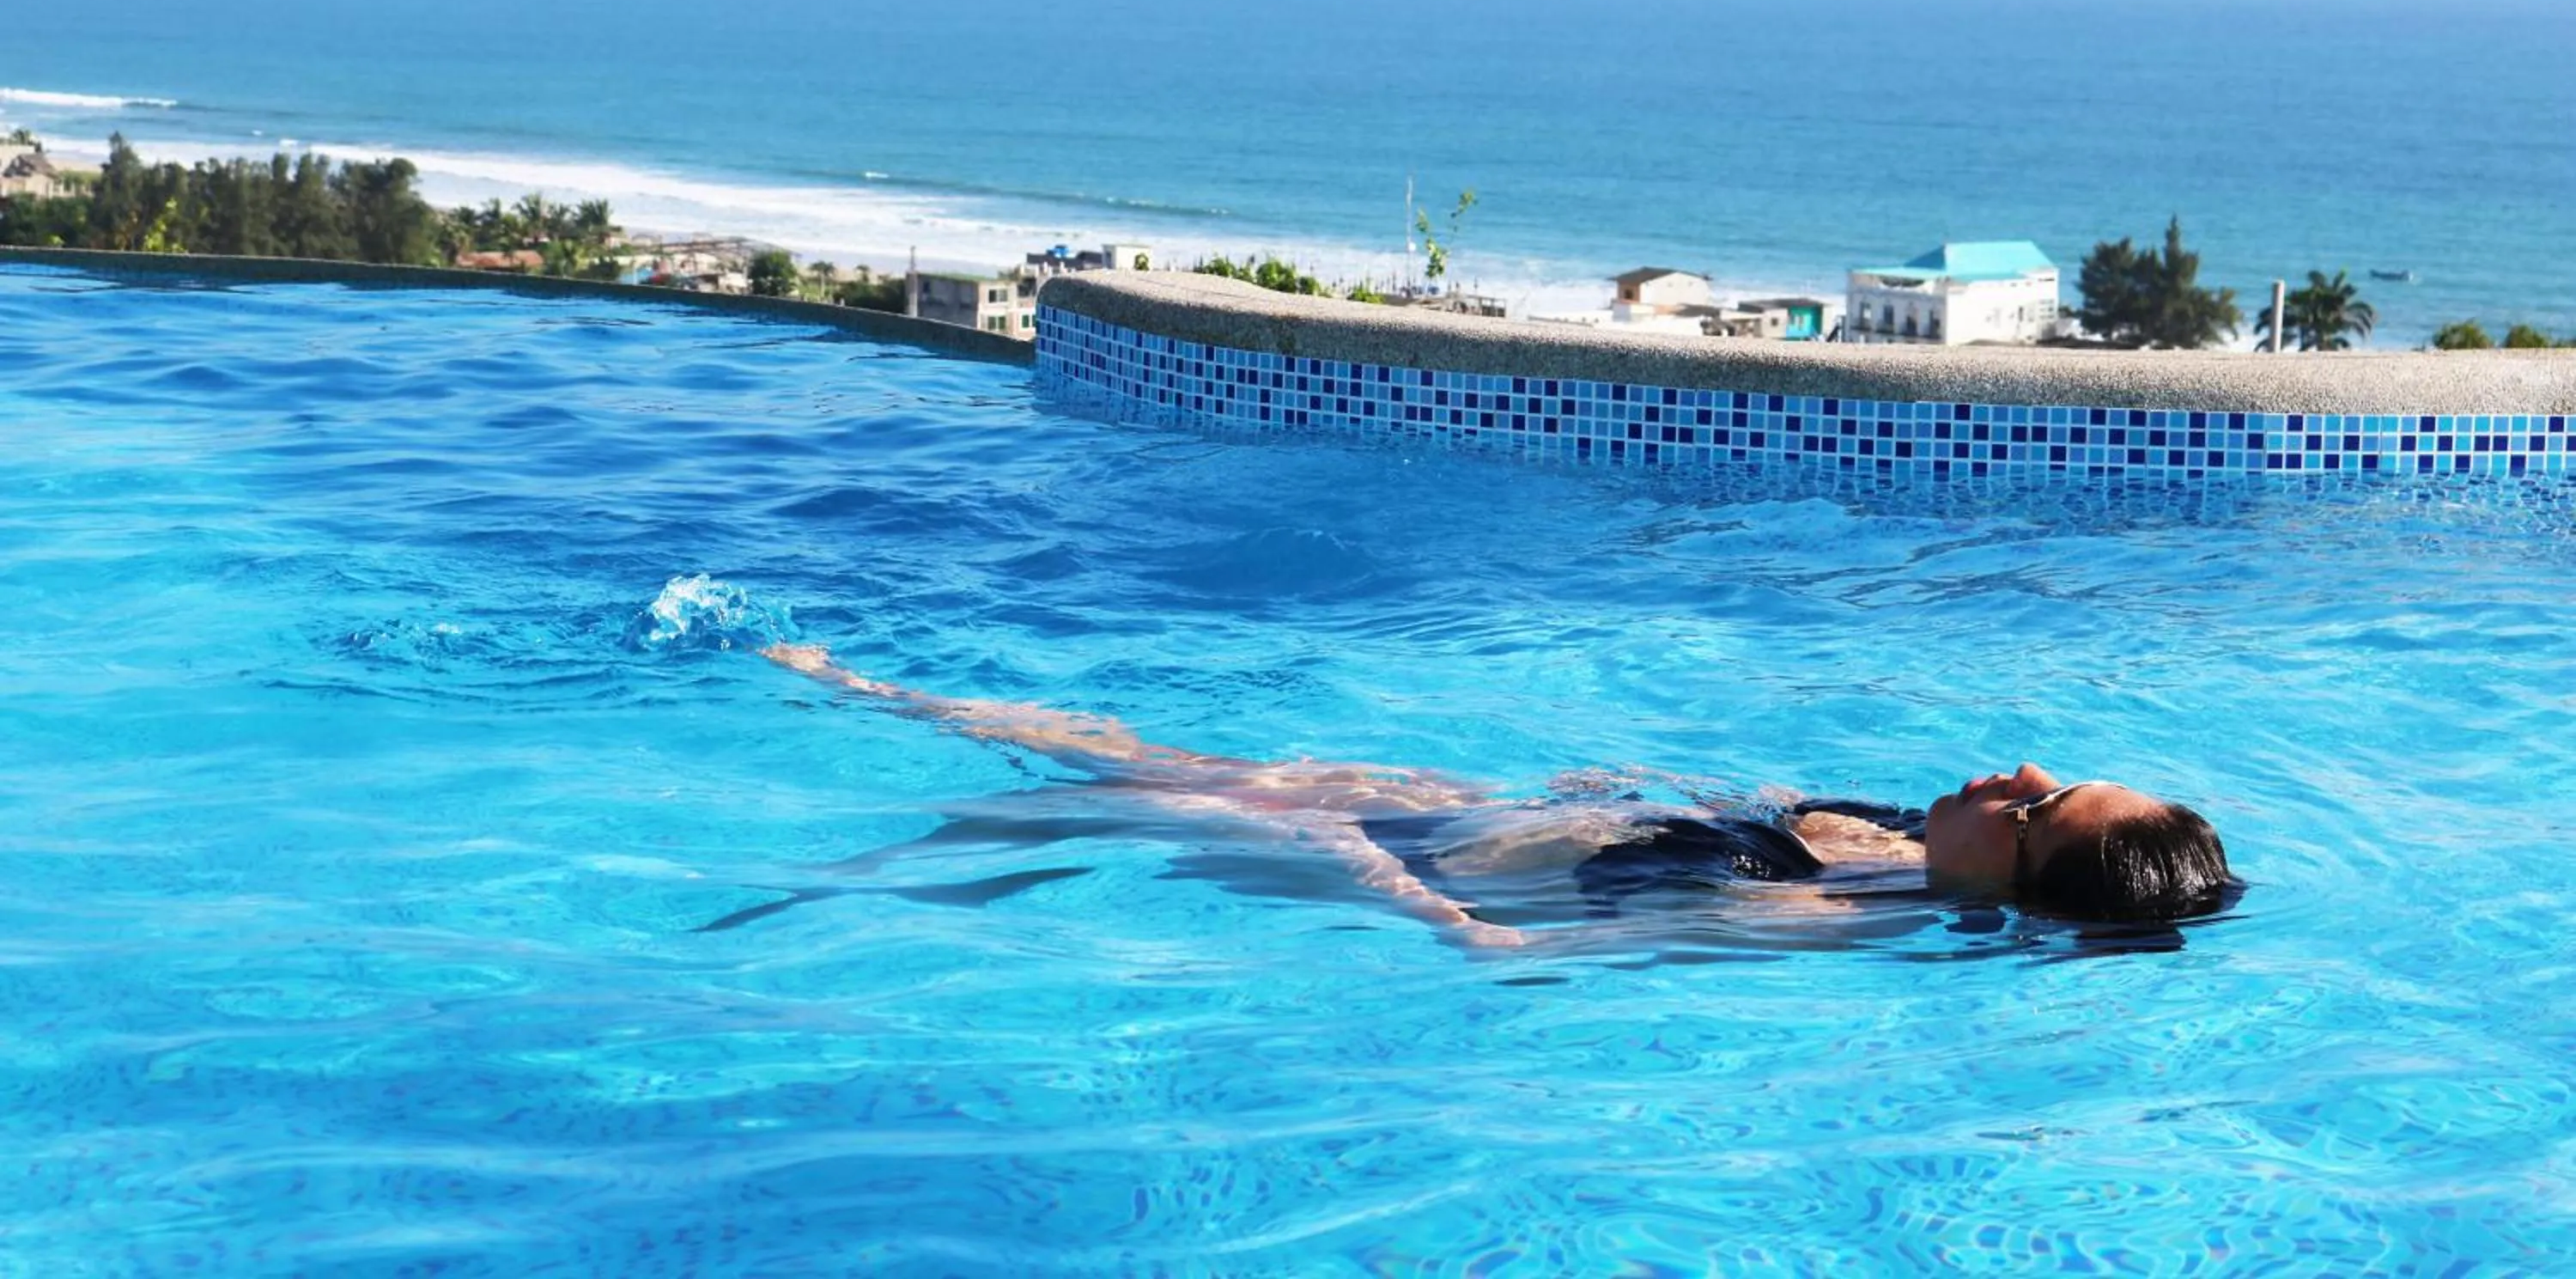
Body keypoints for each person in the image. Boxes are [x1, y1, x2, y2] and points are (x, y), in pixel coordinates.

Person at [755, 643, 2233, 949]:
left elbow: (1507, 945)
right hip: (1466, 806)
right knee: (1118, 748)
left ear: (2018, 897)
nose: (2017, 772)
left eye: (2041, 807)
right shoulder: (1911, 846)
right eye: (2058, 770)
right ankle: (879, 698)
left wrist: (1356, 855)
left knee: (1133, 790)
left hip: (1398, 853)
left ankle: (835, 844)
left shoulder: (1831, 927)